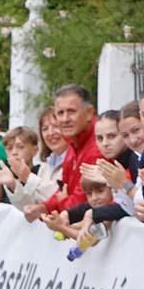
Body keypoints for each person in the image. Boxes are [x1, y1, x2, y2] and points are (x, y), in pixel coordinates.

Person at [24, 85, 102, 222]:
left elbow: (82, 201)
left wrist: (57, 204)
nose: (65, 119)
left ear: (89, 113)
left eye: (71, 112)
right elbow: (63, 191)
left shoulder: (98, 145)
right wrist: (43, 207)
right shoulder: (73, 143)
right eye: (60, 113)